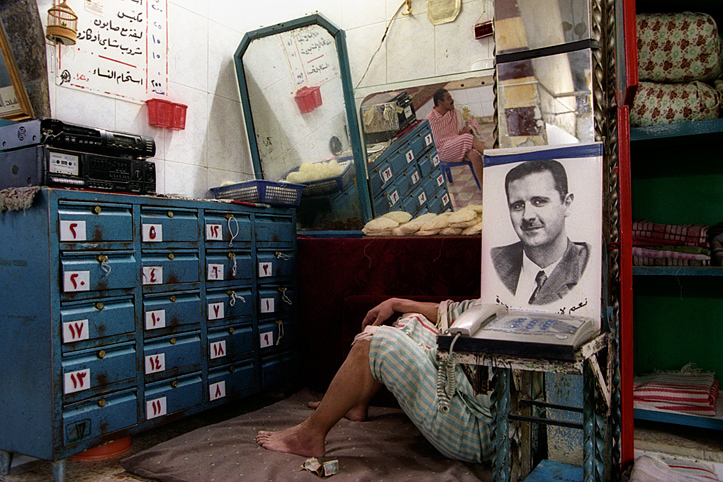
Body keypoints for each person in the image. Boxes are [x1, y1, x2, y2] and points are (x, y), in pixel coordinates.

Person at [256, 297, 494, 464]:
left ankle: (308, 436)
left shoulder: (525, 302)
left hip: (483, 430)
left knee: (376, 343)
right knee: (412, 319)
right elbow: (456, 312)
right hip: (463, 383)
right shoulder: (506, 286)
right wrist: (395, 303)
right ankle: (355, 402)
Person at [490, 159, 589, 306]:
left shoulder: (587, 265)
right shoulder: (495, 260)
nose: (527, 216)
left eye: (539, 202)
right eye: (518, 206)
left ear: (567, 204)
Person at [425, 88, 488, 184]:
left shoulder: (454, 112)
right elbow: (436, 143)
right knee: (466, 137)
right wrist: (458, 138)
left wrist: (469, 128)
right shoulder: (430, 119)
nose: (452, 100)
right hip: (444, 151)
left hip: (459, 146)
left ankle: (484, 188)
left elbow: (471, 121)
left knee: (474, 154)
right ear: (440, 102)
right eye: (449, 98)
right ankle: (492, 155)